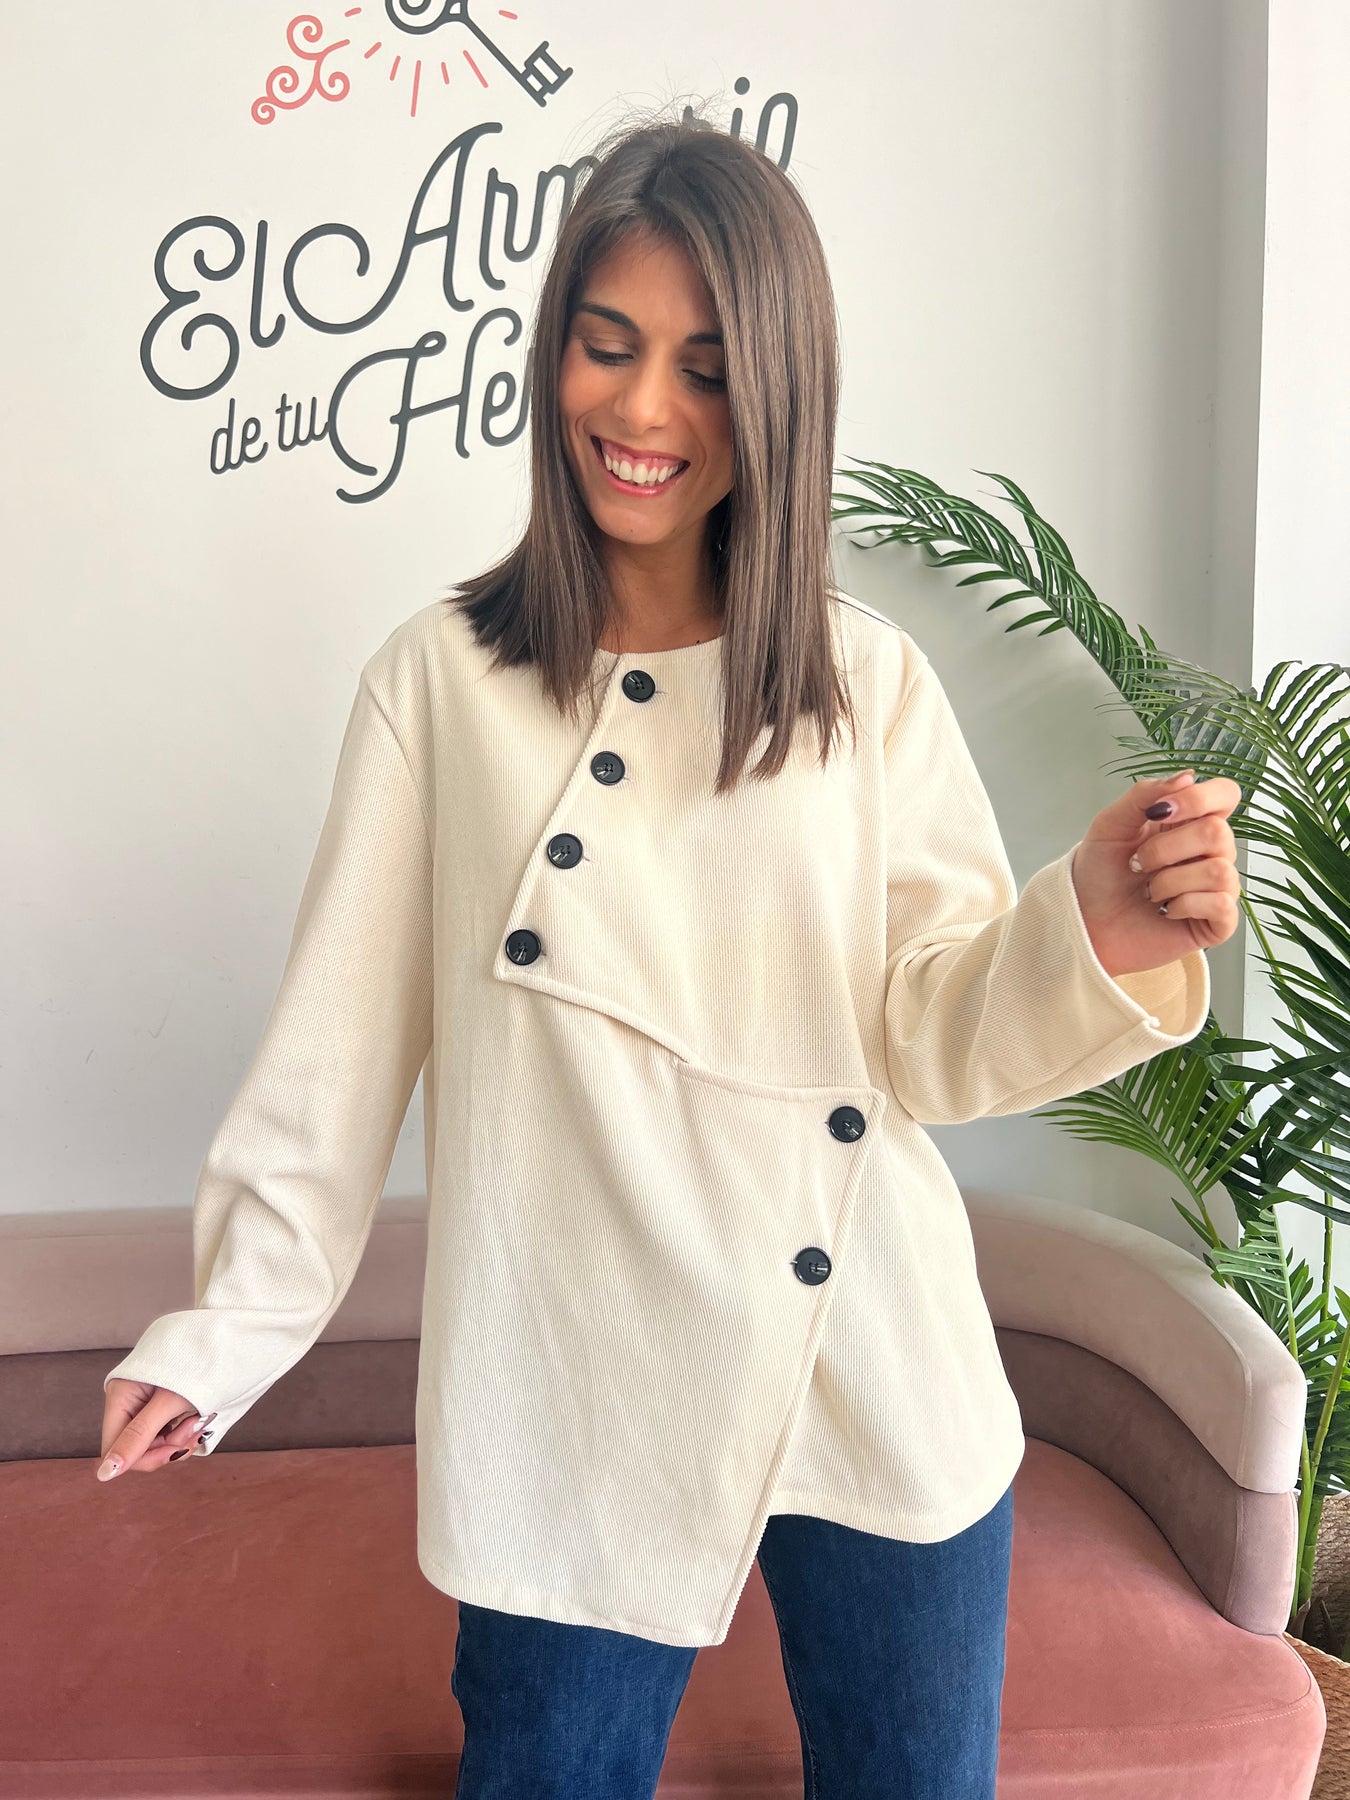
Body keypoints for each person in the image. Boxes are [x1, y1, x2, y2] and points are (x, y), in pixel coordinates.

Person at [99, 113, 1241, 1798]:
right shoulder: (440, 685)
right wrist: (222, 1332)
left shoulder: (864, 683)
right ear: (551, 353)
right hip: (571, 1387)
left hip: (871, 1364)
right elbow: (334, 1058)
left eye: (704, 368)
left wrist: (1095, 922)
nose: (641, 412)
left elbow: (932, 1040)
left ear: (777, 394)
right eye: (606, 344)